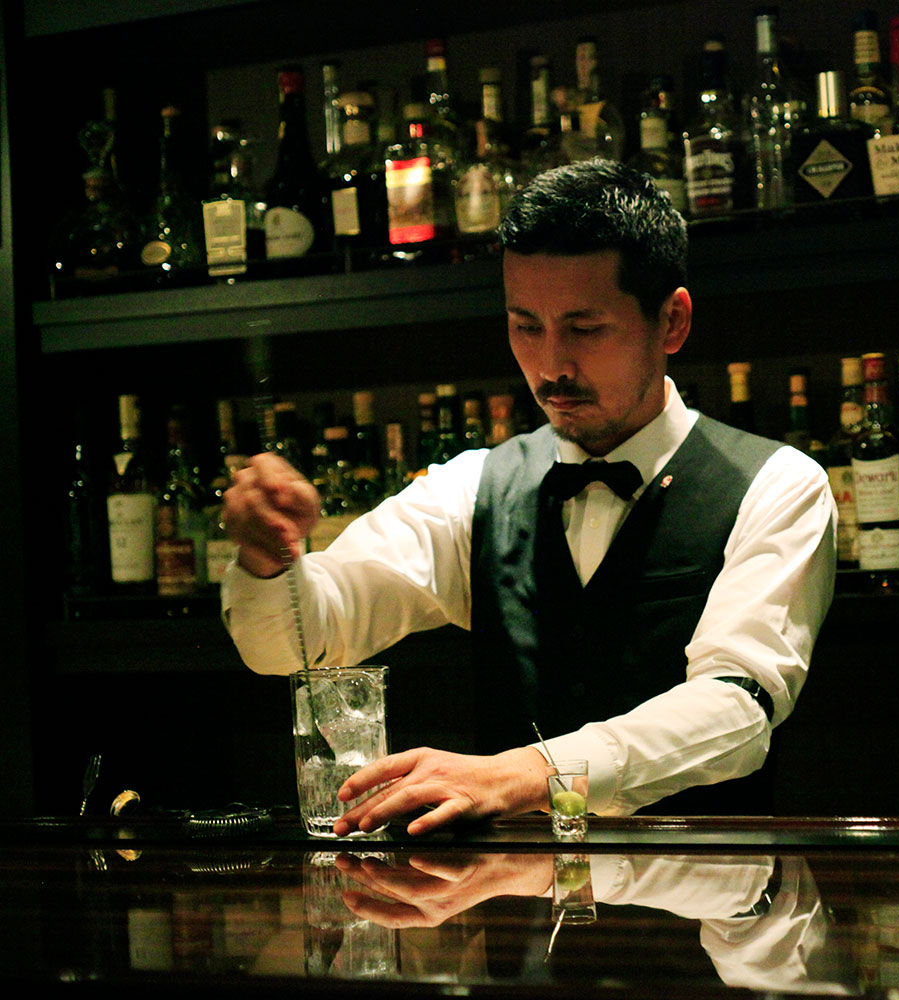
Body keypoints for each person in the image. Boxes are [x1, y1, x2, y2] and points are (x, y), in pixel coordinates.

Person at [221, 160, 837, 836]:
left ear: (672, 321)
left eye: (584, 328)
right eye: (526, 326)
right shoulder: (475, 487)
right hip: (516, 896)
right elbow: (300, 641)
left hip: (710, 891)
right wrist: (267, 560)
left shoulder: (777, 485)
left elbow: (737, 710)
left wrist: (526, 774)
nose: (551, 366)